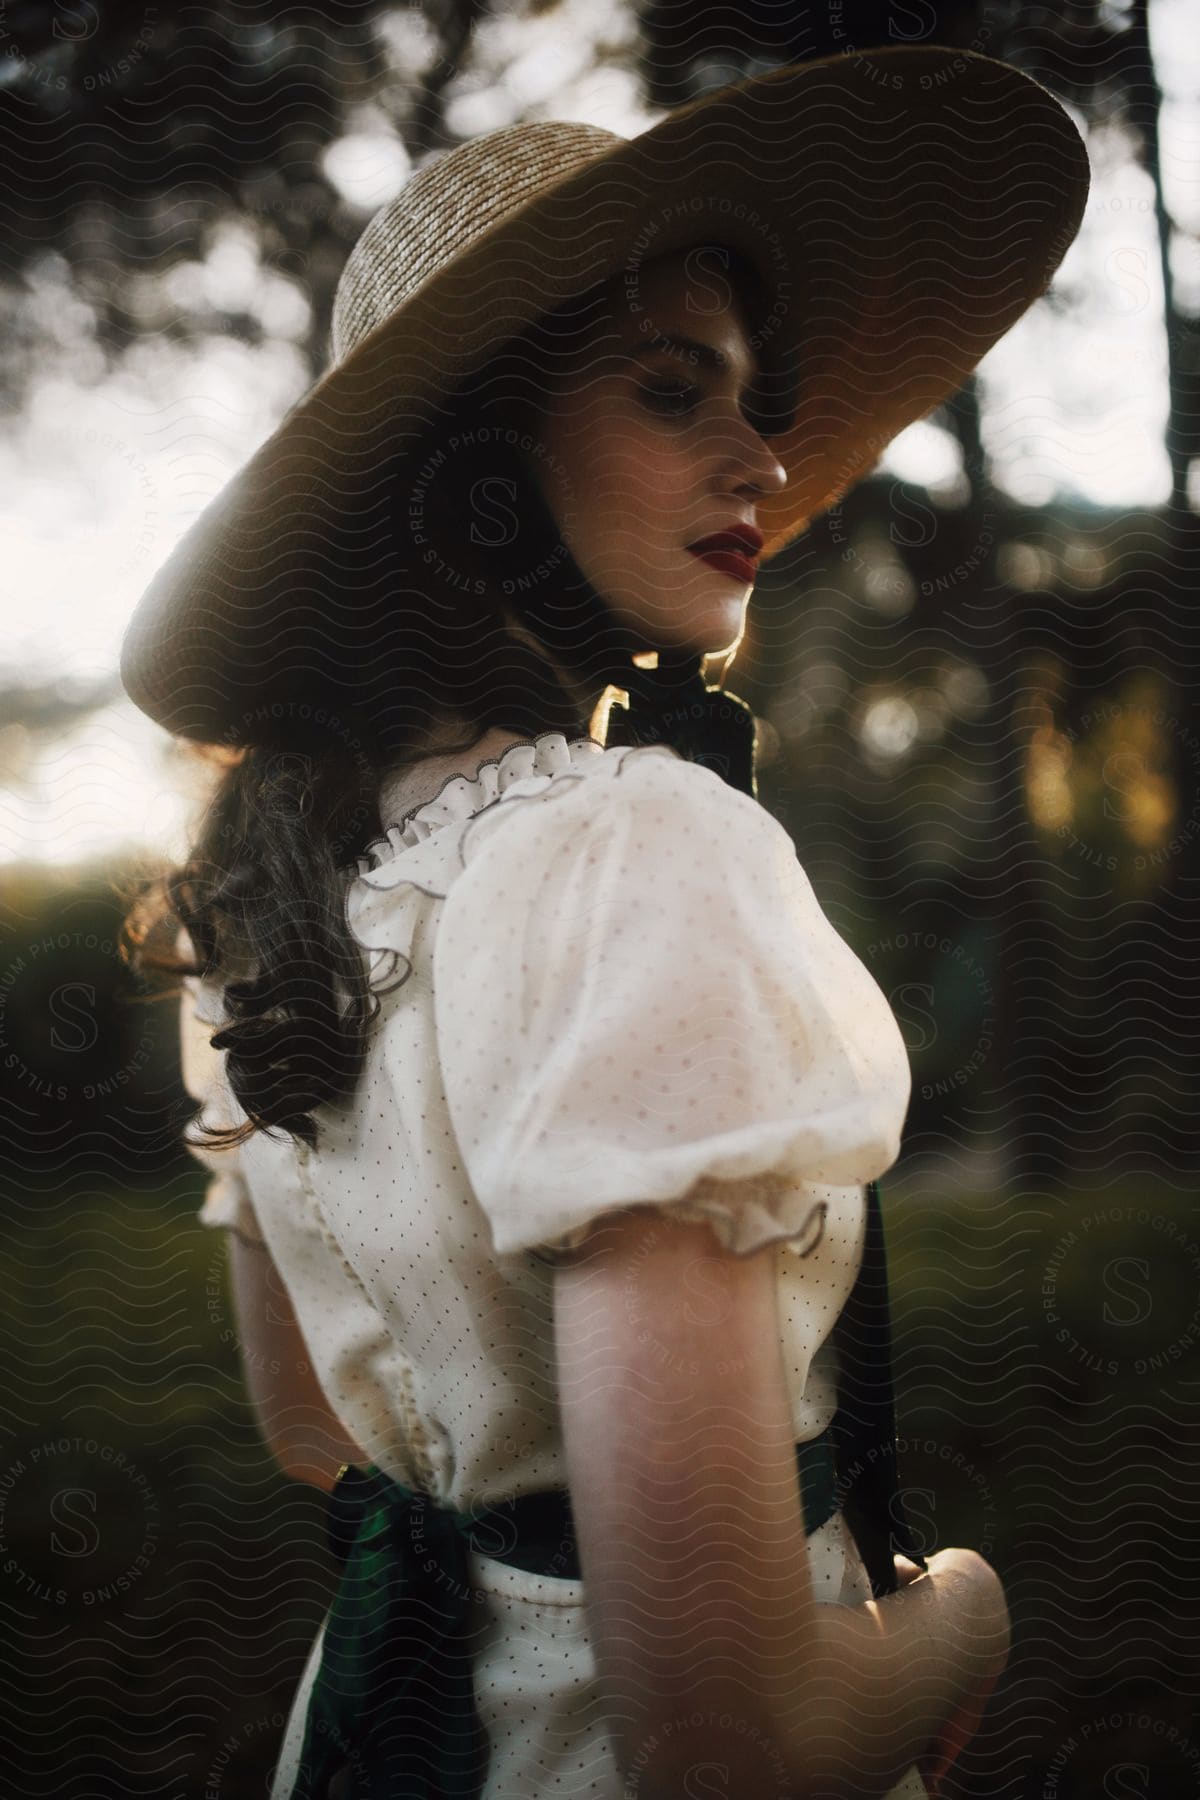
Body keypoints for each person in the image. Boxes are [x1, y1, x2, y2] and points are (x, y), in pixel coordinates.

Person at [121, 46, 1089, 1800]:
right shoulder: (633, 848)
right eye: (672, 391)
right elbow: (732, 1747)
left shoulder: (255, 901)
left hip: (371, 1724)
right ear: (477, 471)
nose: (763, 451)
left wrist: (484, 1539)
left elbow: (303, 1427)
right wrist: (969, 1613)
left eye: (759, 394)